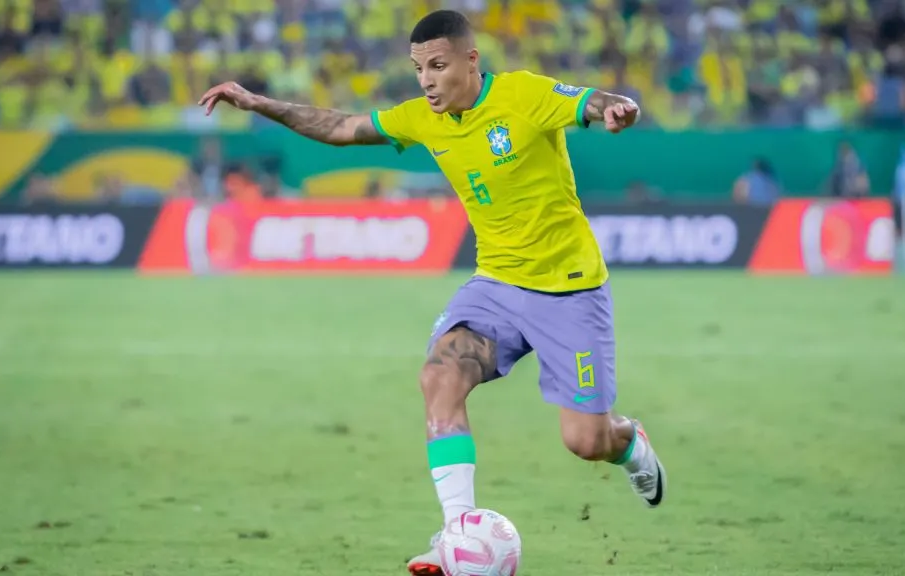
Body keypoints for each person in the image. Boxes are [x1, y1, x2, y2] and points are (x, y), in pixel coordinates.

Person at [198, 10, 666, 576]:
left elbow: (591, 100)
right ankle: (456, 537)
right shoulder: (424, 118)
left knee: (587, 441)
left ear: (471, 62)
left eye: (438, 66)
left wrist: (618, 108)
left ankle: (630, 442)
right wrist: (258, 103)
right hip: (494, 285)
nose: (426, 80)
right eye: (418, 68)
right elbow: (342, 127)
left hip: (569, 290)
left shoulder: (522, 94)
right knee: (439, 376)